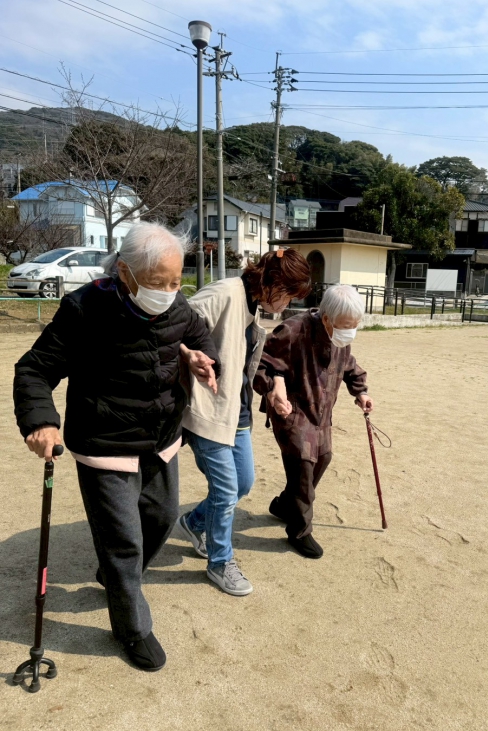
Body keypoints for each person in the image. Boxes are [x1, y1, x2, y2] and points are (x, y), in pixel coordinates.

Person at [13, 223, 220, 672]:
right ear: (124, 272)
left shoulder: (176, 303)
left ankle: (115, 576)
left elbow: (198, 333)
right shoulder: (84, 308)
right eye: (159, 282)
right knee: (123, 542)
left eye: (176, 281)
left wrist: (201, 357)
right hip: (104, 443)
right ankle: (132, 628)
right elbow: (34, 370)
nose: (169, 291)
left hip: (161, 437)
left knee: (162, 517)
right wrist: (41, 421)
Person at [177, 248, 312, 594]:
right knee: (225, 492)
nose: (287, 305)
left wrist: (275, 387)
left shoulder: (254, 306)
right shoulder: (225, 292)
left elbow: (254, 362)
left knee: (242, 484)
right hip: (208, 410)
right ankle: (220, 562)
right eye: (288, 295)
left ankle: (194, 522)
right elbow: (174, 323)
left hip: (237, 411)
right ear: (273, 282)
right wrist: (189, 355)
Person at [253, 284, 373, 559]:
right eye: (346, 325)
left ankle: (285, 504)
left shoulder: (339, 337)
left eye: (355, 325)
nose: (350, 331)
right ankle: (299, 530)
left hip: (321, 412)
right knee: (303, 466)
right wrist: (272, 387)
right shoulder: (292, 330)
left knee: (323, 457)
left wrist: (361, 392)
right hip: (292, 410)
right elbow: (261, 364)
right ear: (327, 318)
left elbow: (349, 366)